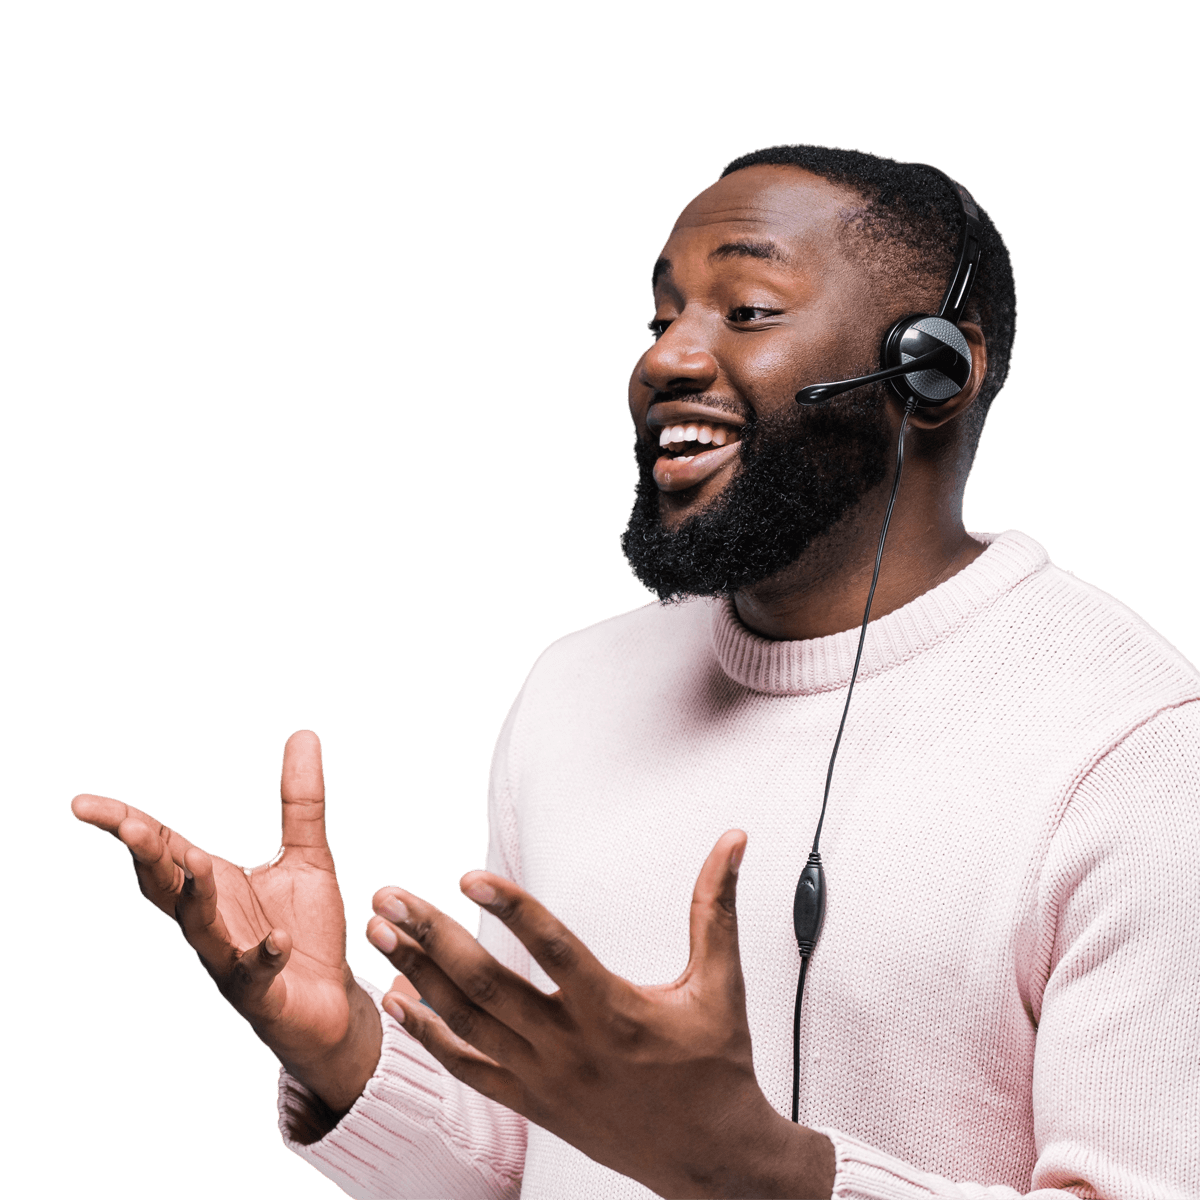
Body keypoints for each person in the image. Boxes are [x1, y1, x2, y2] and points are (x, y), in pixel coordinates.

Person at [72, 145, 1199, 1198]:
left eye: (746, 312)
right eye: (661, 316)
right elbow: (521, 1163)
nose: (665, 358)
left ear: (931, 371)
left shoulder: (1134, 742)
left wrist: (757, 1168)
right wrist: (347, 1054)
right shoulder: (573, 689)